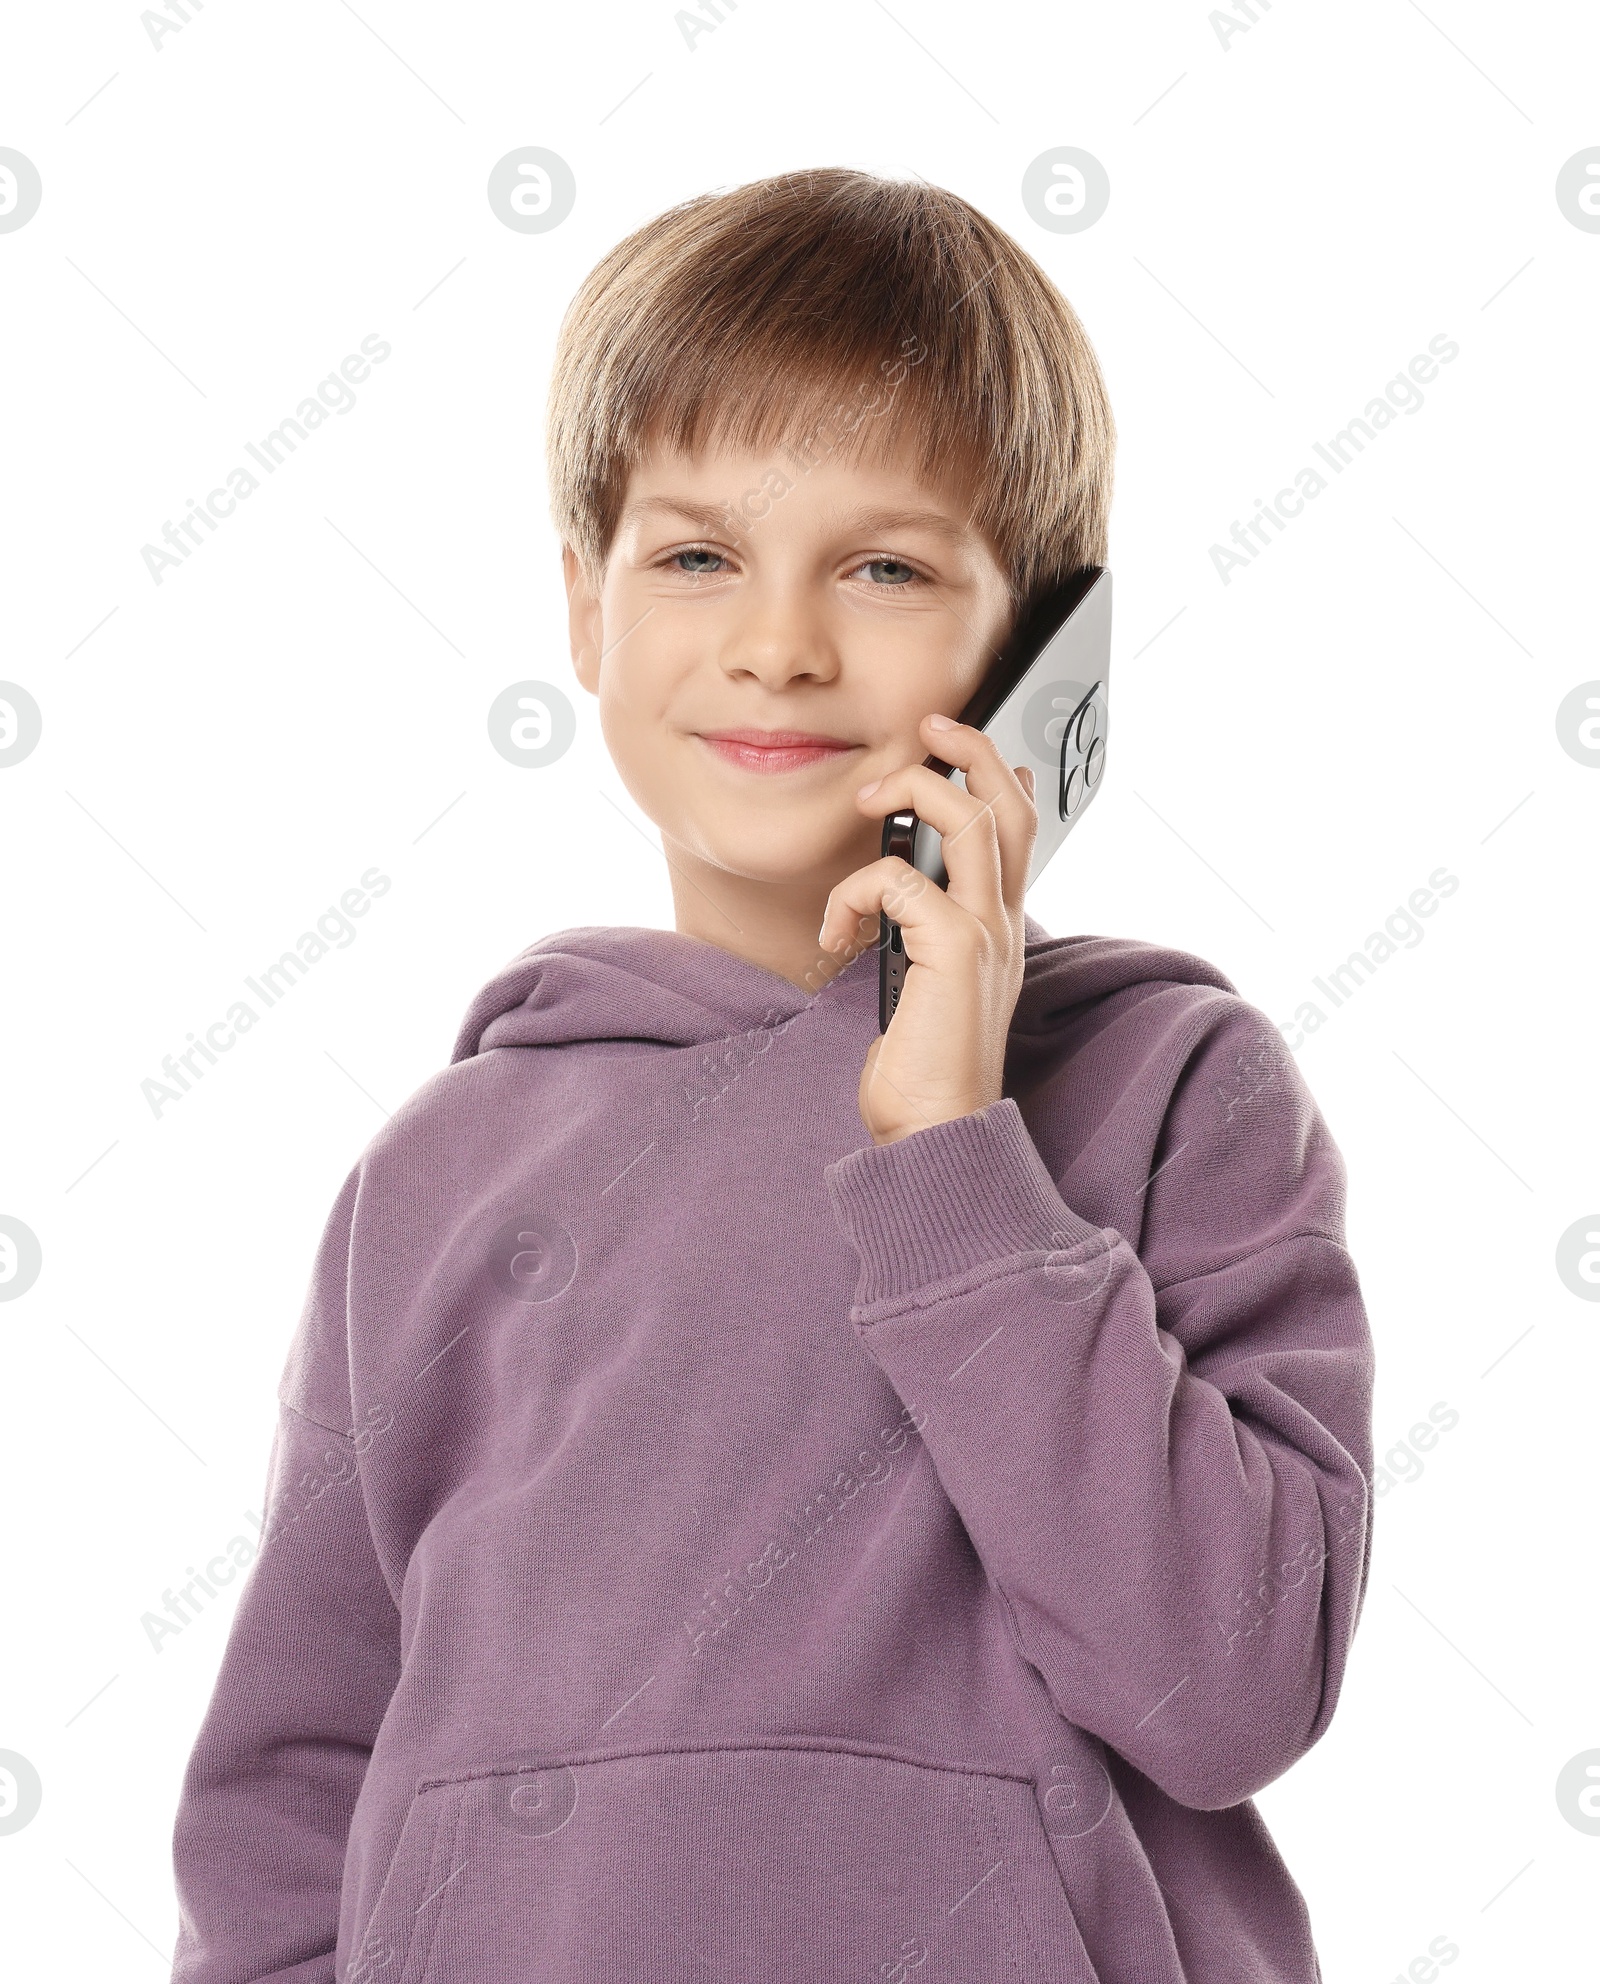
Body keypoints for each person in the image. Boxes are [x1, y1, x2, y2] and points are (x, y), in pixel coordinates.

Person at [168, 167, 1374, 1984]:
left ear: (1050, 651)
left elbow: (1227, 1685)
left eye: (886, 567)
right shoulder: (443, 1170)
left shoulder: (1174, 1093)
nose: (780, 643)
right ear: (585, 610)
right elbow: (291, 1791)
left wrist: (958, 1156)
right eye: (698, 555)